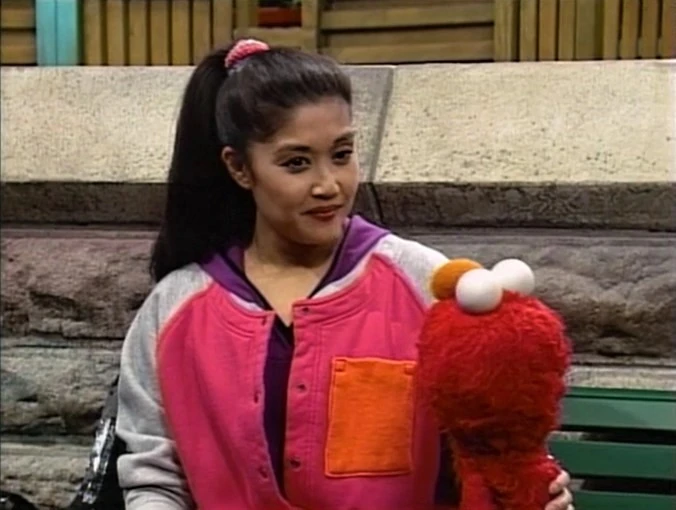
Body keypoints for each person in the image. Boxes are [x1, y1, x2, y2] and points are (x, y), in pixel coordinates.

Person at [115, 39, 574, 510]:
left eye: (341, 154)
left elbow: (493, 442)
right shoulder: (175, 307)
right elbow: (155, 478)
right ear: (239, 168)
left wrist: (527, 490)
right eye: (296, 163)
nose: (329, 185)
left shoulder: (424, 284)